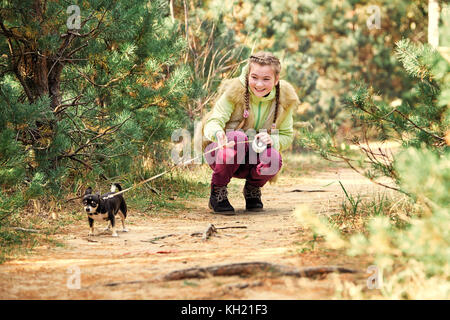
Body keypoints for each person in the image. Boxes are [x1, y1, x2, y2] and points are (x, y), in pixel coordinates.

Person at [200, 51, 300, 214]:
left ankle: (253, 189)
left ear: (276, 79)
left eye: (266, 79)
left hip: (254, 159)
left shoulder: (285, 99)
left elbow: (287, 135)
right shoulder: (234, 92)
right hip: (224, 153)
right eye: (254, 77)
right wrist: (218, 134)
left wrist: (272, 140)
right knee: (238, 137)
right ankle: (218, 191)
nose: (259, 84)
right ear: (247, 75)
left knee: (273, 159)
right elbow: (213, 121)